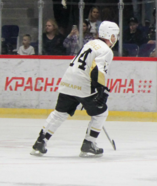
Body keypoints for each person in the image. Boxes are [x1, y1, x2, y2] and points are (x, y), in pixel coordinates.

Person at [31, 21, 119, 157]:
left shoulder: (90, 43)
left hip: (68, 80)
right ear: (110, 35)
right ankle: (89, 143)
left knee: (59, 113)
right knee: (101, 113)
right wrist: (102, 91)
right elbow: (98, 70)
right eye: (115, 35)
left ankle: (40, 141)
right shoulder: (106, 50)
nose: (116, 38)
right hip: (83, 85)